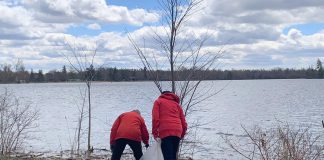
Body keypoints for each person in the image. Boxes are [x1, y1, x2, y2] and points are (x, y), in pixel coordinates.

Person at [152, 91, 187, 160]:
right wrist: (182, 134)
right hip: (178, 131)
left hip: (165, 131)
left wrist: (155, 134)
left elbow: (155, 119)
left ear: (162, 95)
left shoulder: (158, 102)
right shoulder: (177, 105)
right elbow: (183, 122)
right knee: (173, 155)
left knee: (167, 156)